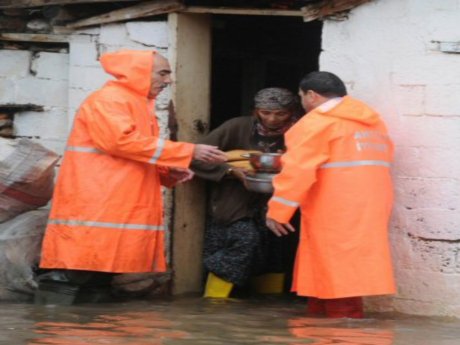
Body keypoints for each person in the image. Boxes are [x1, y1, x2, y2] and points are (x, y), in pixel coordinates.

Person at [35, 50, 227, 304]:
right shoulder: (109, 100)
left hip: (114, 202)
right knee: (75, 271)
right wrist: (188, 151)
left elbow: (138, 151)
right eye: (163, 73)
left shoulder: (135, 103)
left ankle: (84, 329)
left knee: (98, 273)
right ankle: (56, 326)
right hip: (98, 201)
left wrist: (168, 171)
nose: (168, 80)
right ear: (139, 72)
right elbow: (121, 142)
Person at [265, 71, 396, 318]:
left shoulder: (316, 123)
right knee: (340, 268)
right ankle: (324, 329)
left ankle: (338, 332)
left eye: (301, 96)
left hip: (334, 207)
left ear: (311, 95)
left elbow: (298, 170)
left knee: (337, 274)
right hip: (371, 205)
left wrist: (278, 211)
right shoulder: (372, 122)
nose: (301, 102)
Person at [191, 87, 302, 298]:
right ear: (255, 111)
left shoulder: (300, 132)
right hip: (235, 204)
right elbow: (194, 157)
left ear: (292, 112)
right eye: (265, 112)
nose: (272, 119)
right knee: (243, 241)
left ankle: (267, 307)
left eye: (280, 113)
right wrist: (230, 170)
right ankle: (214, 302)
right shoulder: (237, 127)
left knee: (274, 253)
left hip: (278, 203)